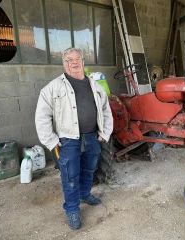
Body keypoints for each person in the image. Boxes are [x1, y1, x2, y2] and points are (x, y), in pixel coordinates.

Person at [35, 47, 113, 230]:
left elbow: (105, 110)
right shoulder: (54, 87)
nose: (74, 63)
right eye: (69, 60)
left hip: (93, 137)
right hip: (69, 140)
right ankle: (72, 210)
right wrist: (51, 140)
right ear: (64, 64)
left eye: (77, 59)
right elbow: (41, 116)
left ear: (83, 62)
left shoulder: (95, 85)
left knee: (89, 169)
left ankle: (84, 194)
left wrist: (105, 132)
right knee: (70, 175)